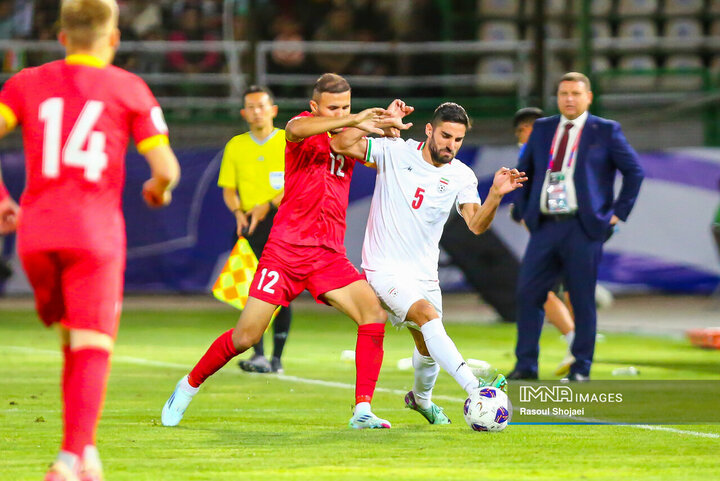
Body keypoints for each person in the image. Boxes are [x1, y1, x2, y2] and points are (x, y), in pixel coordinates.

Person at [161, 73, 404, 430]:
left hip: (327, 255)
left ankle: (362, 410)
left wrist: (388, 125)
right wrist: (357, 120)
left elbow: (369, 153)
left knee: (373, 315)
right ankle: (187, 386)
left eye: (346, 106)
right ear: (315, 108)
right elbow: (296, 130)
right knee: (246, 337)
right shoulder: (301, 127)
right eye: (333, 108)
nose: (341, 112)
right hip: (285, 251)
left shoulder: (350, 135)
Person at [0, 1, 181, 480]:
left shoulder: (24, 84)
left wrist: (2, 197)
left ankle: (87, 453)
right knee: (92, 343)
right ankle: (69, 459)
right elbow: (166, 169)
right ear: (114, 38)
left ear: (61, 37)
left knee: (71, 341)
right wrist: (156, 190)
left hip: (36, 238)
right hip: (94, 234)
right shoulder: (129, 88)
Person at [330, 101, 525, 424]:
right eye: (446, 136)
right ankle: (476, 389)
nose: (451, 145)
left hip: (424, 274)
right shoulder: (395, 150)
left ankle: (421, 400)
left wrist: (495, 195)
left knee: (427, 345)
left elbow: (476, 225)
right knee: (427, 316)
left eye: (458, 140)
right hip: (384, 268)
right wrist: (379, 121)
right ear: (430, 130)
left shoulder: (461, 174)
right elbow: (341, 143)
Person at [508, 72, 644, 381]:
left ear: (588, 97)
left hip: (583, 227)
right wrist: (527, 211)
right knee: (528, 294)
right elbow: (523, 171)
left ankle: (581, 367)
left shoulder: (605, 130)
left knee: (581, 298)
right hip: (545, 227)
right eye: (564, 93)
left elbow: (634, 172)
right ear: (557, 97)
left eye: (576, 93)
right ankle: (526, 365)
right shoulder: (542, 129)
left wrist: (617, 214)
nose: (569, 98)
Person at [218, 85, 292, 374]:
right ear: (243, 112)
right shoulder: (236, 145)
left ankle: (277, 357)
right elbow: (228, 189)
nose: (256, 111)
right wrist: (237, 211)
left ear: (273, 110)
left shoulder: (288, 141)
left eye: (261, 105)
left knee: (281, 289)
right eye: (250, 106)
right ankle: (259, 354)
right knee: (251, 290)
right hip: (250, 225)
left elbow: (297, 182)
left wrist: (268, 205)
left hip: (282, 223)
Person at [512, 107, 576, 377]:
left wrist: (524, 214)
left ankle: (576, 344)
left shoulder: (544, 156)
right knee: (557, 291)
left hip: (556, 235)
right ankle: (576, 348)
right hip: (565, 232)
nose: (519, 137)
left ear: (529, 129)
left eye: (520, 131)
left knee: (539, 291)